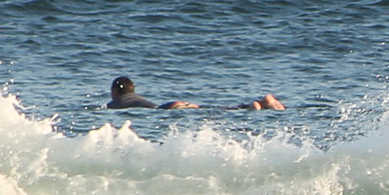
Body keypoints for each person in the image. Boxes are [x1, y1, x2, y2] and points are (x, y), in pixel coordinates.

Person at [106, 76, 285, 111]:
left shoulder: (115, 104)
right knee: (217, 108)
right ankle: (259, 104)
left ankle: (253, 107)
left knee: (216, 110)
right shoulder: (137, 98)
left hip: (167, 108)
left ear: (114, 92)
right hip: (170, 104)